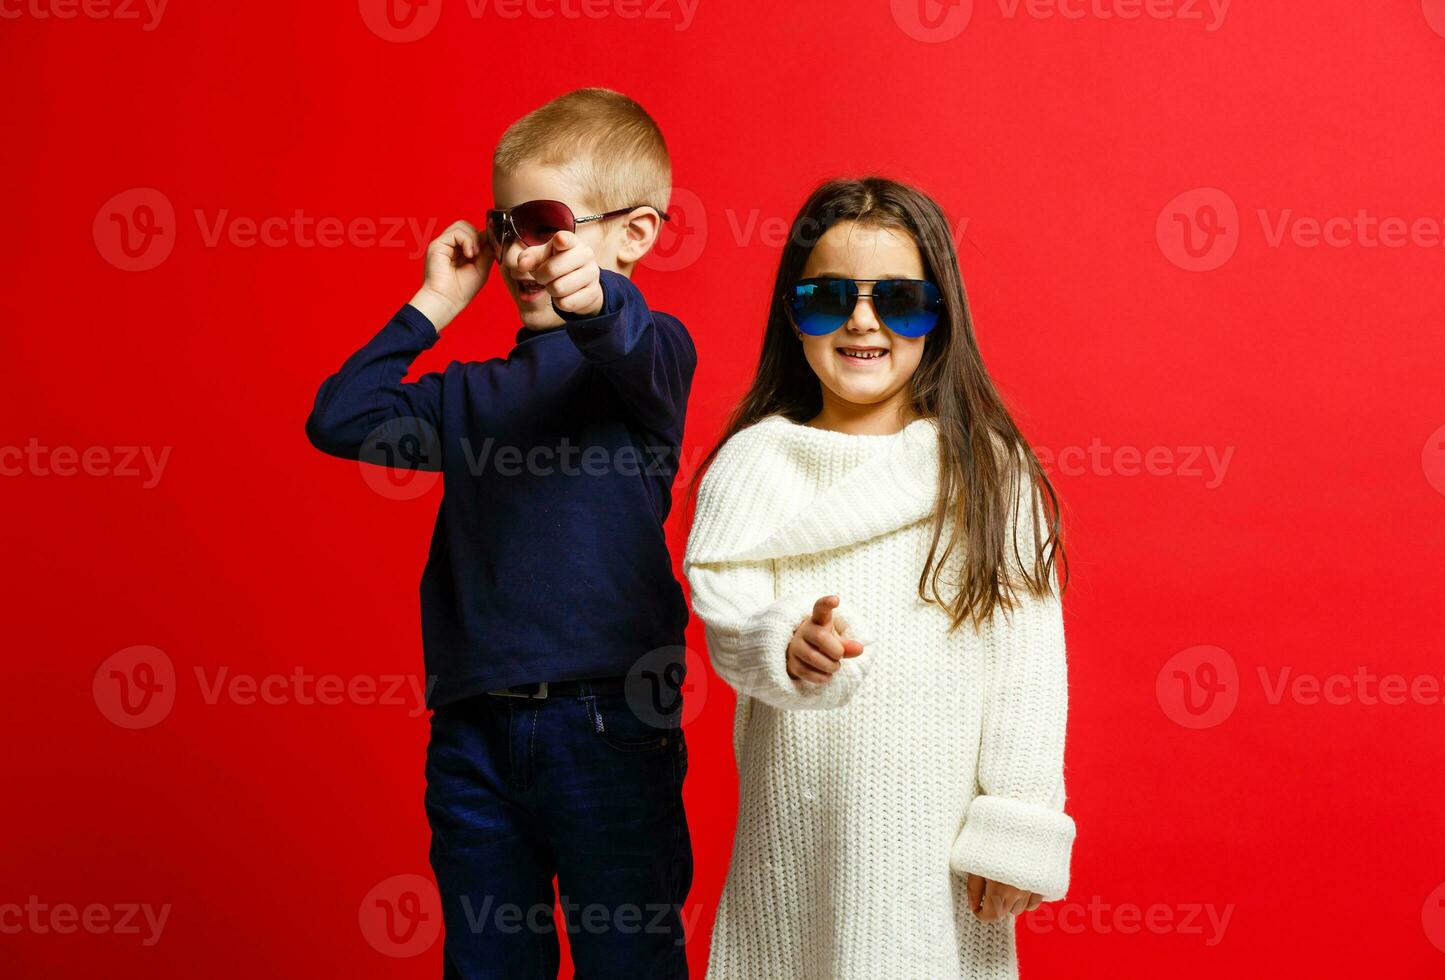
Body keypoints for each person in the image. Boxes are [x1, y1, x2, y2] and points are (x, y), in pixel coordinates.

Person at [305, 88, 697, 979]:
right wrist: (434, 302)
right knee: (487, 963)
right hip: (474, 730)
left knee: (629, 957)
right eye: (505, 225)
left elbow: (630, 337)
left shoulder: (649, 363)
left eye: (547, 223)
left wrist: (597, 297)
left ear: (633, 234)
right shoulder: (470, 395)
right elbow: (340, 419)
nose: (523, 252)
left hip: (611, 718)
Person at [683, 176, 1075, 979]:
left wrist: (1017, 827)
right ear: (794, 316)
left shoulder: (988, 472)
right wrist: (787, 645)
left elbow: (1029, 670)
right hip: (796, 830)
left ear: (939, 316)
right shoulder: (755, 465)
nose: (863, 321)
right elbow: (727, 618)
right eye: (830, 298)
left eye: (898, 299)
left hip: (935, 840)